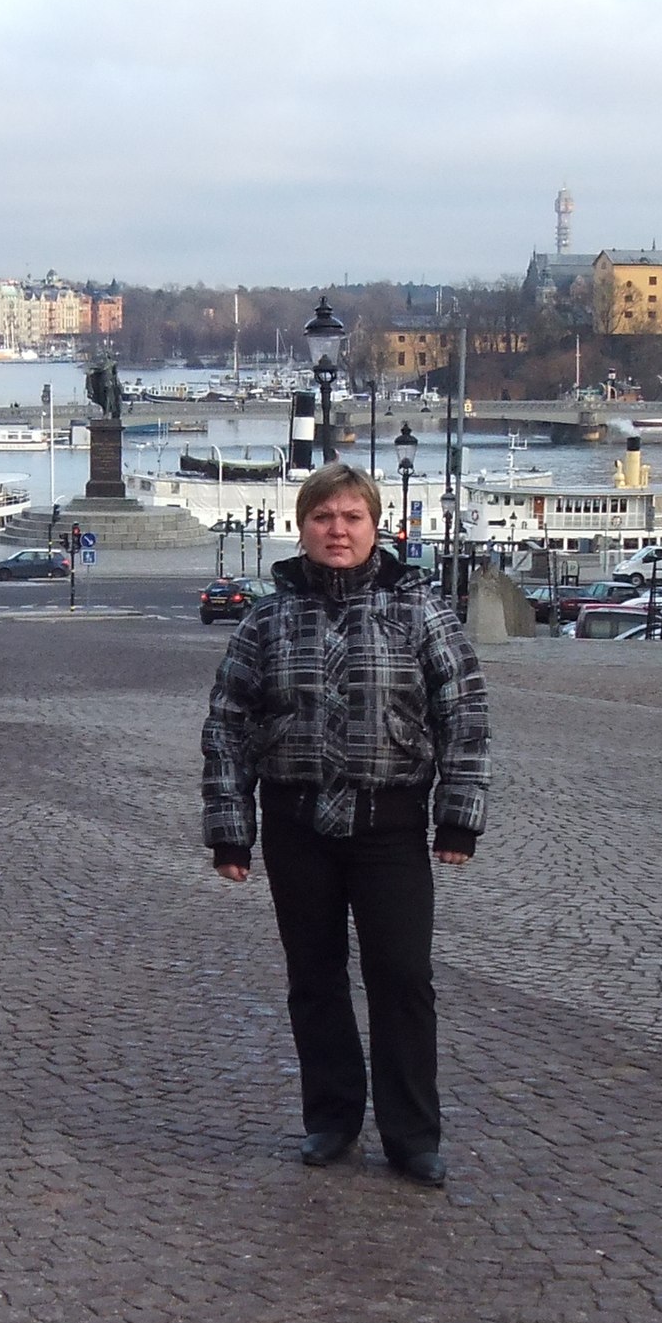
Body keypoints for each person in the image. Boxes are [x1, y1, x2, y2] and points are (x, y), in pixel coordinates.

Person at [201, 463, 489, 1189]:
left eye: (352, 517)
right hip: (296, 821)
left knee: (403, 977)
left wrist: (458, 818)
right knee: (315, 977)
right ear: (302, 527)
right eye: (323, 517)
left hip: (389, 822)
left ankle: (412, 1134)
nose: (338, 531)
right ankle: (331, 1118)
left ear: (375, 527)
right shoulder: (266, 620)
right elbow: (228, 726)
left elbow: (464, 716)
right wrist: (230, 829)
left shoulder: (420, 611)